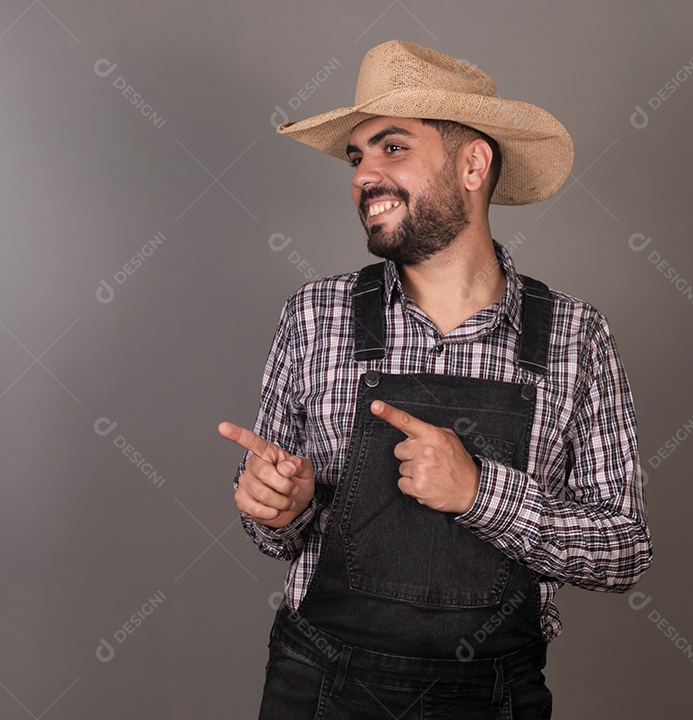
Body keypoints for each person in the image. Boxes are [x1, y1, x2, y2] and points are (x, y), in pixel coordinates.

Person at [218, 39, 652, 720]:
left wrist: (481, 494)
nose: (364, 176)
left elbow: (622, 552)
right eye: (357, 158)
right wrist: (279, 505)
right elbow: (275, 535)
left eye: (392, 148)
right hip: (321, 686)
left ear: (473, 164)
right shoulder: (316, 314)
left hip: (491, 695)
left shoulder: (575, 335)